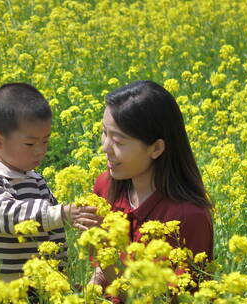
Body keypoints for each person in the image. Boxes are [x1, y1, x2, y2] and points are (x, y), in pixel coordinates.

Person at [0, 83, 100, 303]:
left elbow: (51, 228)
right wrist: (62, 214)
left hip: (37, 285)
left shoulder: (34, 178)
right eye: (30, 143)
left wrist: (60, 269)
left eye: (45, 141)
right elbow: (11, 216)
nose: (41, 151)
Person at [90, 80, 214, 297]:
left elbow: (178, 299)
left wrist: (104, 252)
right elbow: (97, 270)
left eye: (118, 141)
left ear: (156, 148)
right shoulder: (105, 185)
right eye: (104, 133)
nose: (105, 147)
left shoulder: (188, 218)